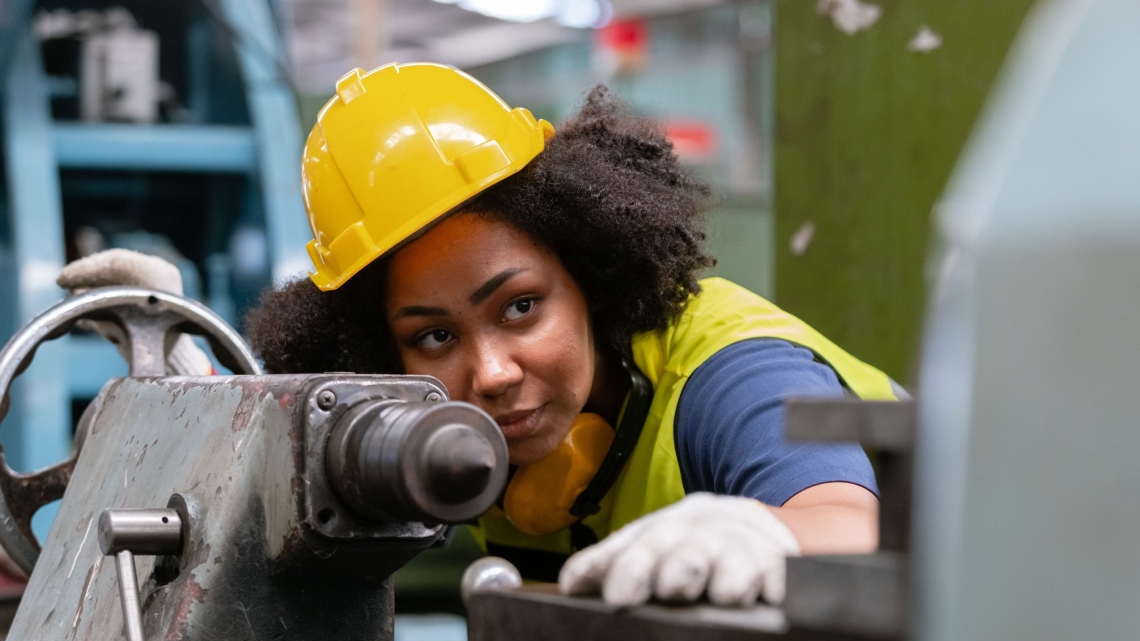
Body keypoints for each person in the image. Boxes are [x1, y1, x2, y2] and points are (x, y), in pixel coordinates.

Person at [58, 63, 901, 607]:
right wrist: (191, 384)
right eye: (432, 339)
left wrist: (763, 532)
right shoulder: (467, 441)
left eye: (520, 307)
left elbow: (843, 525)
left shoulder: (731, 373)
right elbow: (307, 467)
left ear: (590, 275)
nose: (490, 374)